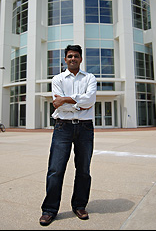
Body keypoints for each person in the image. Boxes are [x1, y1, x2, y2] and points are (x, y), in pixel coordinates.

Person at [39, 45, 97, 226]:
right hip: (62, 127)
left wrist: (65, 99)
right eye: (70, 56)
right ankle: (49, 210)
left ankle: (79, 205)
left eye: (76, 56)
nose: (73, 59)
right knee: (55, 170)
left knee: (84, 170)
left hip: (85, 128)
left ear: (81, 59)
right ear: (65, 59)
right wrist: (79, 102)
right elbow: (60, 104)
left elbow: (91, 100)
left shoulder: (90, 78)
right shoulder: (57, 79)